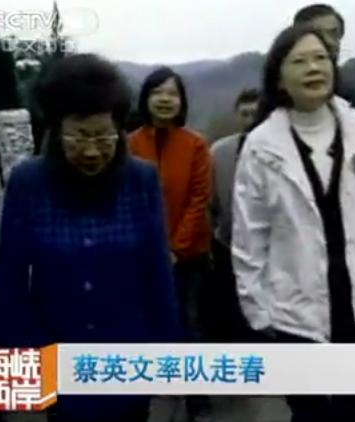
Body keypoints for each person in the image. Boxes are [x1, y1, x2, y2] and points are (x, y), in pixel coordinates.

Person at [232, 26, 355, 422]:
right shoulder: (261, 147)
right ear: (279, 79)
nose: (313, 68)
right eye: (299, 61)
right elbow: (249, 235)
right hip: (295, 306)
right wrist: (257, 307)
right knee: (309, 409)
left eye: (320, 58)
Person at [0, 54, 181, 422]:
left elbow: (158, 278)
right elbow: (9, 286)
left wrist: (171, 369)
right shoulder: (28, 183)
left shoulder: (141, 180)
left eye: (103, 136)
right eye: (79, 137)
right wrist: (14, 381)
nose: (92, 151)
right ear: (55, 130)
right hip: (57, 359)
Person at [129, 66, 212, 421]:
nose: (165, 100)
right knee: (146, 323)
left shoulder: (195, 144)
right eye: (158, 92)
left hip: (188, 255)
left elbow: (198, 199)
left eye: (172, 94)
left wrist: (175, 248)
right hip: (142, 255)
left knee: (189, 322)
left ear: (182, 102)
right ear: (145, 99)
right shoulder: (129, 144)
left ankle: (197, 398)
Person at [210, 88, 260, 342]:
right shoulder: (220, 152)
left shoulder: (284, 150)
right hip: (226, 249)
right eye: (245, 114)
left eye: (256, 114)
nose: (250, 120)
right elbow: (210, 203)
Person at [293, 4, 355, 115]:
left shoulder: (350, 100)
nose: (329, 41)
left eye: (333, 33)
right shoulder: (281, 96)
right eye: (318, 34)